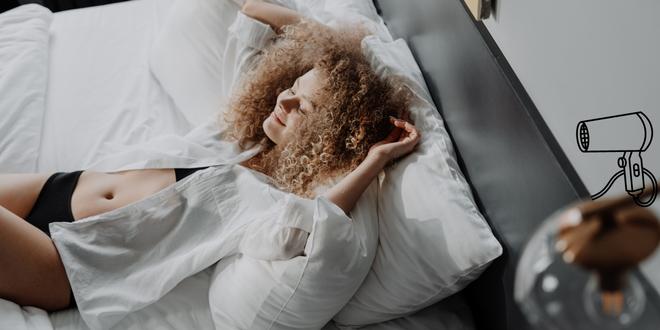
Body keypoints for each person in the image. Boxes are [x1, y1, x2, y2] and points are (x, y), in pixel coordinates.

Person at [0, 0, 420, 312]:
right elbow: (254, 18)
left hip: (64, 263)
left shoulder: (266, 200)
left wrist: (374, 159)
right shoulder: (237, 134)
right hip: (57, 187)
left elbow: (312, 229)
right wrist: (345, 56)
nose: (284, 102)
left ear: (327, 137)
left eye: (302, 109)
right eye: (291, 88)